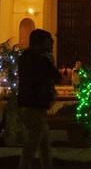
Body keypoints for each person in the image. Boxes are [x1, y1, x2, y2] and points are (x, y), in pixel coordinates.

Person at [16, 28, 60, 169]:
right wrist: (50, 61)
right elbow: (56, 76)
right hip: (35, 105)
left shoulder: (24, 58)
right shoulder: (40, 60)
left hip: (28, 104)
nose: (50, 45)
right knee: (31, 145)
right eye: (48, 42)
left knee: (44, 144)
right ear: (39, 43)